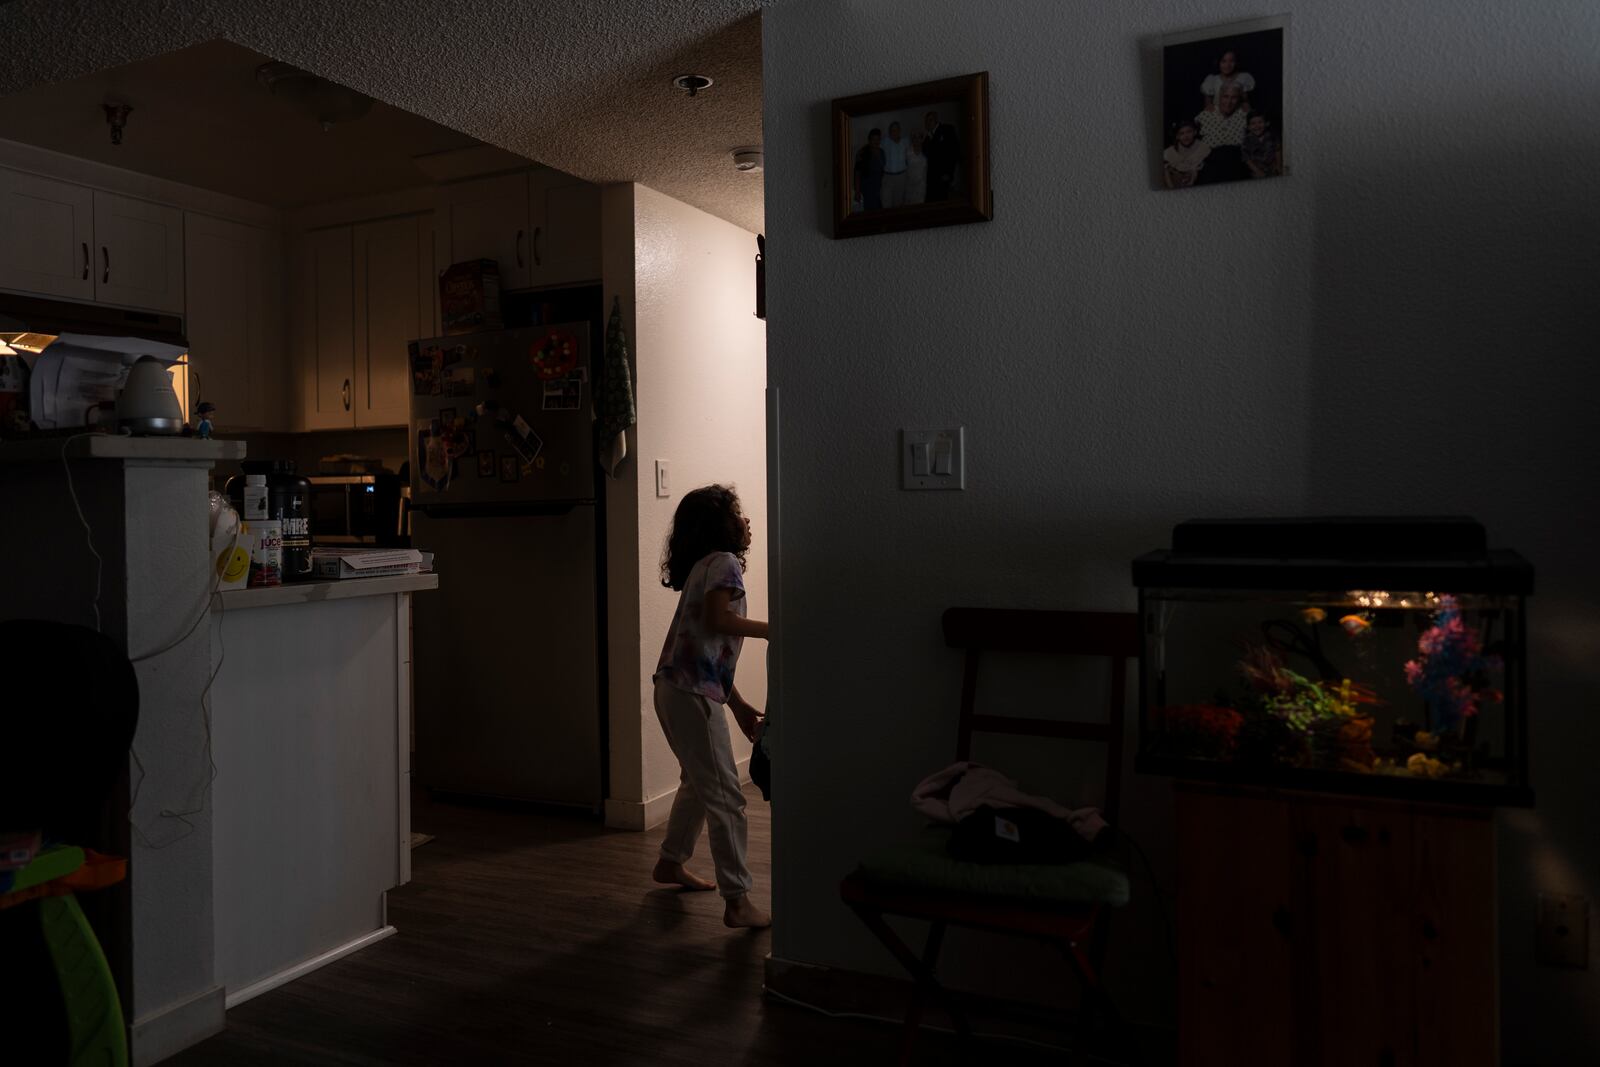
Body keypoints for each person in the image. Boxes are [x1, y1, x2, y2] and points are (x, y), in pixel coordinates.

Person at [651, 484, 771, 929]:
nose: (746, 520)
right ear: (720, 526)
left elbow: (707, 648)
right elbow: (719, 622)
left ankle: (669, 862)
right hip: (690, 693)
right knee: (727, 795)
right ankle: (738, 901)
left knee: (697, 783)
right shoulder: (723, 563)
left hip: (673, 688)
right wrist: (776, 628)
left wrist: (736, 705)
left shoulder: (705, 565)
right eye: (738, 513)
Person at [1194, 84, 1249, 183]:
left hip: (1237, 166)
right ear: (1219, 97)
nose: (1228, 102)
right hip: (1210, 165)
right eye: (1225, 96)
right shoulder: (1205, 115)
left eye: (1234, 98)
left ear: (1239, 100)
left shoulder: (1245, 115)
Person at [923, 110, 961, 201]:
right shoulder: (927, 137)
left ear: (936, 119)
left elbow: (954, 151)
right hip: (931, 177)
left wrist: (949, 173)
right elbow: (926, 154)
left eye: (930, 120)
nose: (928, 123)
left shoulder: (947, 129)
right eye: (927, 121)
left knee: (942, 200)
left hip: (943, 175)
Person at [1162, 120, 1210, 189]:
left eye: (1189, 132)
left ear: (1195, 132)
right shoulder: (1169, 152)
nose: (1186, 136)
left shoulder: (1202, 148)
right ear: (1177, 136)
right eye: (1181, 133)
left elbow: (1197, 169)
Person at [854, 128, 885, 212]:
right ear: (869, 140)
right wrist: (857, 192)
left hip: (877, 189)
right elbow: (857, 173)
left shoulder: (882, 152)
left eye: (878, 139)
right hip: (867, 189)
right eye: (873, 139)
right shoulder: (862, 153)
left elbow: (882, 170)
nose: (876, 142)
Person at [1241, 111, 1281, 178]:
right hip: (1256, 170)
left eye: (1260, 122)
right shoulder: (1247, 140)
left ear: (1267, 123)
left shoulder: (1272, 136)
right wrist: (1258, 171)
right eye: (1253, 123)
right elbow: (1247, 159)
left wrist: (1279, 165)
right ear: (1248, 127)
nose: (1257, 126)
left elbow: (1277, 150)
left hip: (1273, 168)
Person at [880, 121, 909, 208]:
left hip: (901, 177)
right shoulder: (884, 142)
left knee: (898, 203)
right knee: (886, 202)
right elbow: (874, 147)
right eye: (892, 130)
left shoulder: (906, 141)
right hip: (888, 177)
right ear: (889, 132)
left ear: (900, 131)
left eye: (896, 130)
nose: (894, 132)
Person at [905, 129, 929, 204]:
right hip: (909, 185)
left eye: (919, 137)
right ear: (912, 139)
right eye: (915, 137)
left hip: (921, 186)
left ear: (922, 139)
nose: (917, 139)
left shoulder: (926, 151)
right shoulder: (908, 151)